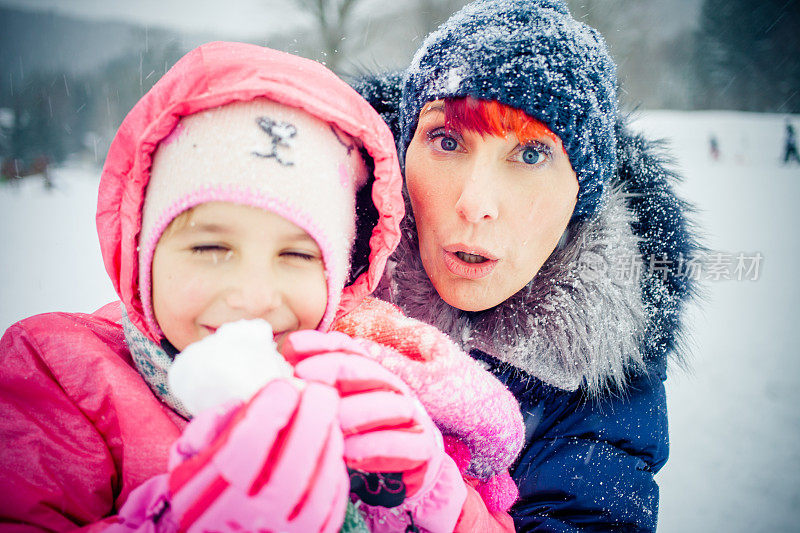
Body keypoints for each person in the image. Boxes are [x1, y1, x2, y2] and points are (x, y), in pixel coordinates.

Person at [0, 41, 523, 532]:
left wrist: (438, 498)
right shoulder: (60, 376)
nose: (252, 296)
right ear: (143, 251)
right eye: (210, 248)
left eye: (296, 254)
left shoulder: (376, 379)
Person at [351, 0, 701, 530]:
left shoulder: (602, 374)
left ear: (582, 194)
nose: (475, 201)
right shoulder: (304, 275)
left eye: (531, 154)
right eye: (447, 141)